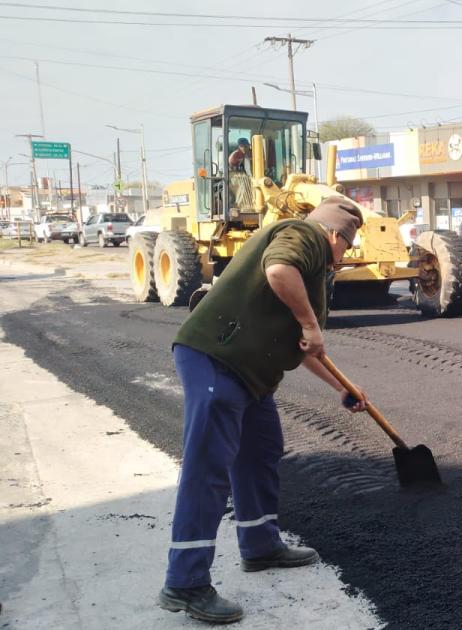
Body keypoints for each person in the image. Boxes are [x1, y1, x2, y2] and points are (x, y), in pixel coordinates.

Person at [158, 197, 370, 624]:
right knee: (209, 467)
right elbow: (278, 270)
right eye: (347, 247)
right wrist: (311, 324)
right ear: (336, 236)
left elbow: (303, 347)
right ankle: (184, 582)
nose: (344, 258)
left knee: (260, 451)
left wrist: (342, 388)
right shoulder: (305, 235)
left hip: (249, 373)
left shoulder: (312, 264)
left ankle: (260, 546)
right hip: (218, 358)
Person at [228, 137, 254, 212]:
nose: (245, 148)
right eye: (243, 146)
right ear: (239, 147)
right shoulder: (235, 155)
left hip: (245, 175)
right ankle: (239, 204)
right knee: (244, 182)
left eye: (246, 146)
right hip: (233, 175)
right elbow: (233, 167)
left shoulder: (252, 153)